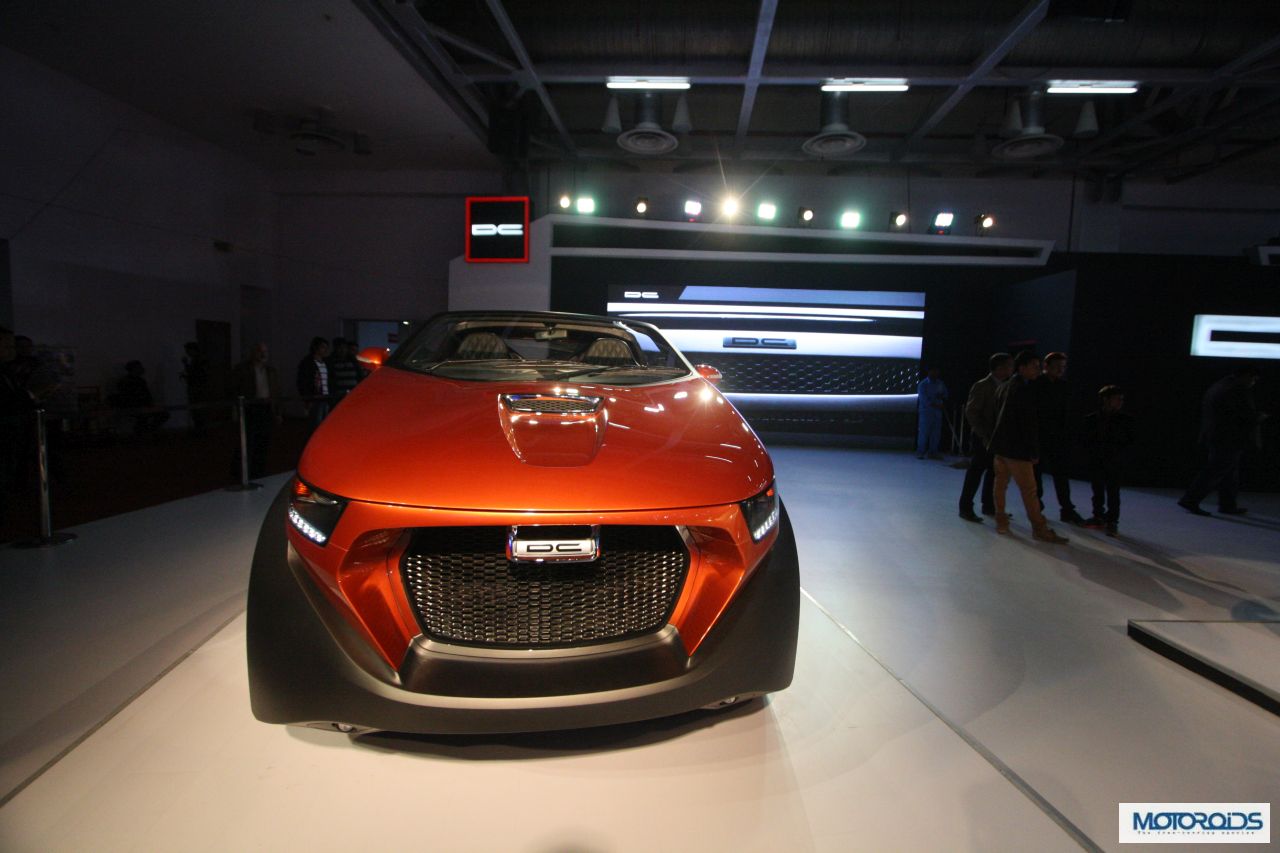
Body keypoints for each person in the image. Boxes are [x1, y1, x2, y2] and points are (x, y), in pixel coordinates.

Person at [990, 351, 1068, 543]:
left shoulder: (1005, 386)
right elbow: (1028, 423)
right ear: (1022, 367)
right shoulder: (1024, 390)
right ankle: (1039, 529)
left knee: (1000, 484)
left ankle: (1001, 521)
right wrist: (1033, 450)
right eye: (1035, 366)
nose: (1038, 370)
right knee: (1029, 491)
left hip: (1002, 446)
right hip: (1017, 449)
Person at [1178, 365, 1266, 516]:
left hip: (1218, 436)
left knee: (1227, 472)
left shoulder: (1220, 386)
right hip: (1228, 438)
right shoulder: (1235, 390)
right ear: (1246, 376)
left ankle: (1227, 504)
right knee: (1216, 470)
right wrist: (1257, 417)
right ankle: (1191, 499)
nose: (1253, 382)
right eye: (1253, 378)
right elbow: (1239, 415)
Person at [958, 353, 1013, 522]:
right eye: (1009, 366)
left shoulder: (1008, 385)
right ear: (999, 368)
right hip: (983, 437)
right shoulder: (982, 385)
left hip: (999, 438)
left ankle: (989, 506)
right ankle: (965, 508)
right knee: (975, 473)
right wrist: (984, 434)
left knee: (994, 473)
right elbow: (971, 412)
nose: (1011, 369)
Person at [1033, 352, 1085, 525]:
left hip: (1058, 438)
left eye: (1063, 367)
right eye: (1057, 367)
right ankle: (1037, 508)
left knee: (1061, 475)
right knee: (1036, 475)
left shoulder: (1064, 386)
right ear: (1046, 366)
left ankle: (1066, 509)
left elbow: (1067, 412)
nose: (1060, 370)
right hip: (1040, 436)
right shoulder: (1036, 385)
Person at [1081, 385, 1134, 536]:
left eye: (1121, 399)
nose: (1120, 402)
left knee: (1113, 492)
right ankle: (1098, 516)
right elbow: (1086, 440)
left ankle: (1112, 520)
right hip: (1098, 459)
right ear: (1106, 400)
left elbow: (1129, 441)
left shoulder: (1125, 420)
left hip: (1114, 460)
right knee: (1098, 490)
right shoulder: (1092, 419)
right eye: (1117, 399)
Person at [232, 343, 280, 480]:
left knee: (264, 440)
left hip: (266, 407)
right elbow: (235, 389)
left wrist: (277, 412)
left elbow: (276, 391)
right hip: (250, 407)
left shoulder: (271, 371)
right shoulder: (242, 369)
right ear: (253, 353)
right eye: (260, 351)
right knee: (248, 440)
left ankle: (259, 471)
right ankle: (242, 472)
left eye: (265, 351)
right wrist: (236, 408)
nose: (263, 354)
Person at [109, 360, 169, 434]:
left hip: (140, 407)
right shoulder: (126, 382)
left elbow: (146, 395)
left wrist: (149, 405)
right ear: (134, 369)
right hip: (134, 407)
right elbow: (128, 397)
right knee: (154, 415)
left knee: (162, 414)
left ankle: (144, 430)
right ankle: (145, 431)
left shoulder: (139, 381)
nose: (142, 369)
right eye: (140, 367)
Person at [296, 337, 331, 428]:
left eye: (326, 348)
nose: (325, 350)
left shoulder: (326, 363)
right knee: (316, 424)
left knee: (325, 423)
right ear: (316, 348)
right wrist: (307, 399)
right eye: (323, 347)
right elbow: (302, 382)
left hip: (326, 398)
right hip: (315, 398)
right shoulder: (307, 363)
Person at [915, 366, 949, 459]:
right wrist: (935, 405)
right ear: (929, 372)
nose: (935, 373)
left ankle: (933, 452)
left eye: (937, 371)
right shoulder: (923, 384)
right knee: (924, 432)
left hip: (938, 413)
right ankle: (920, 452)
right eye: (933, 371)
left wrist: (942, 397)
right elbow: (924, 399)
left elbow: (946, 394)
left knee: (936, 433)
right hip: (926, 412)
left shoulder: (940, 383)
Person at [180, 341, 211, 432]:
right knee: (196, 410)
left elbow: (196, 374)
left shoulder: (199, 360)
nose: (187, 353)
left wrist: (186, 366)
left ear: (193, 350)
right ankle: (200, 429)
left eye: (188, 350)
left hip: (198, 388)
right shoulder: (197, 360)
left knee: (198, 410)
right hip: (197, 387)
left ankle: (201, 430)